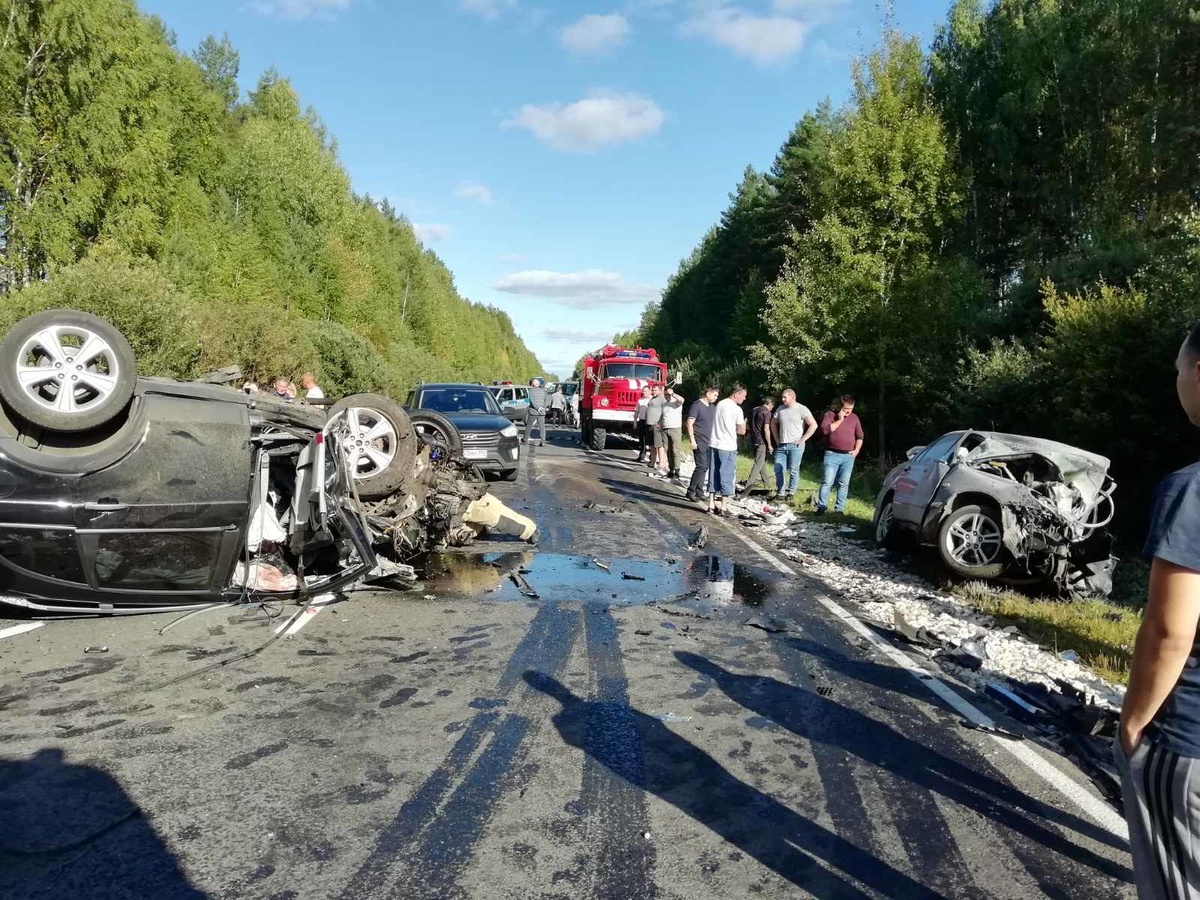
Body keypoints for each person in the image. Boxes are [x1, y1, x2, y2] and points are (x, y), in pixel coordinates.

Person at [1117, 323, 1200, 899]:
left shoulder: (1191, 491)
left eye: (1176, 369)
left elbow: (1171, 629)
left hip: (1189, 742)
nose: (1175, 383)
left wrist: (1134, 722)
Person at [816, 395, 864, 514]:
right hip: (831, 454)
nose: (848, 411)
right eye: (846, 409)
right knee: (827, 481)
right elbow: (825, 430)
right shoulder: (830, 415)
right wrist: (840, 420)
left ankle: (839, 509)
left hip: (848, 456)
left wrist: (856, 450)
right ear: (840, 407)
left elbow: (860, 436)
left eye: (851, 409)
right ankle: (821, 506)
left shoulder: (854, 418)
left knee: (844, 483)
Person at [772, 389, 818, 502]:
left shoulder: (802, 409)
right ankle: (780, 492)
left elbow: (813, 425)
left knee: (793, 469)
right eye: (782, 397)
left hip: (795, 445)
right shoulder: (780, 409)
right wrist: (776, 438)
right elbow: (773, 423)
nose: (783, 399)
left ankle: (790, 492)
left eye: (785, 397)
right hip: (781, 444)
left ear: (793, 397)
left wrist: (803, 439)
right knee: (778, 469)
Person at [708, 384, 747, 515]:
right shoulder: (737, 410)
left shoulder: (720, 404)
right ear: (736, 394)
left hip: (714, 442)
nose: (744, 398)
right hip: (728, 445)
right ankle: (723, 507)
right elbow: (742, 430)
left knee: (713, 473)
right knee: (727, 474)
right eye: (743, 395)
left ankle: (711, 504)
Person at [685, 386, 719, 503]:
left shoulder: (713, 408)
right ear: (708, 393)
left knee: (706, 467)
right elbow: (689, 423)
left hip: (709, 441)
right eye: (715, 395)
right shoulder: (697, 405)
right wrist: (692, 440)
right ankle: (691, 491)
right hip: (699, 440)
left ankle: (699, 491)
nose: (716, 398)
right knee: (701, 466)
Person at [739, 396, 775, 498]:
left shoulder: (754, 410)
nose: (771, 409)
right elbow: (766, 429)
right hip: (761, 441)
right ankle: (748, 485)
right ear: (770, 404)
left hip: (753, 439)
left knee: (761, 462)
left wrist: (745, 431)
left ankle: (767, 484)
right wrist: (769, 444)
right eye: (772, 407)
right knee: (758, 464)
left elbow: (745, 420)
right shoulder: (767, 413)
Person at [660, 386, 686, 480]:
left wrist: (673, 394)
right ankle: (671, 470)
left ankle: (677, 470)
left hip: (675, 428)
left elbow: (682, 399)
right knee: (668, 450)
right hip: (665, 428)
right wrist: (660, 424)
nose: (666, 396)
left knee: (675, 450)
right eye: (665, 395)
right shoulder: (664, 404)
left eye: (667, 394)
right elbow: (662, 416)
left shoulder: (676, 403)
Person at [644, 384, 665, 470]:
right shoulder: (653, 398)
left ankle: (662, 463)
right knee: (652, 445)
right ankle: (652, 462)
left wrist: (659, 423)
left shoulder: (662, 399)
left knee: (659, 445)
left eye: (655, 390)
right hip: (649, 424)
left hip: (656, 425)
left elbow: (665, 411)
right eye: (653, 390)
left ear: (660, 390)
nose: (653, 392)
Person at [525, 378, 549, 446]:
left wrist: (538, 408)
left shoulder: (531, 391)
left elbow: (532, 401)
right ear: (539, 384)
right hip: (542, 412)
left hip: (533, 411)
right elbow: (547, 401)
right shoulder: (544, 391)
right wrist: (543, 408)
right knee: (542, 427)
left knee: (529, 426)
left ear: (533, 384)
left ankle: (525, 440)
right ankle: (543, 441)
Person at [635, 386, 652, 462]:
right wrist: (635, 421)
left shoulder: (652, 400)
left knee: (650, 440)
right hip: (642, 421)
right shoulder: (640, 400)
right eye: (643, 391)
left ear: (649, 391)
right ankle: (642, 456)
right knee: (642, 440)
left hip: (650, 422)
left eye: (646, 391)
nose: (644, 393)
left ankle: (652, 458)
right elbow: (636, 411)